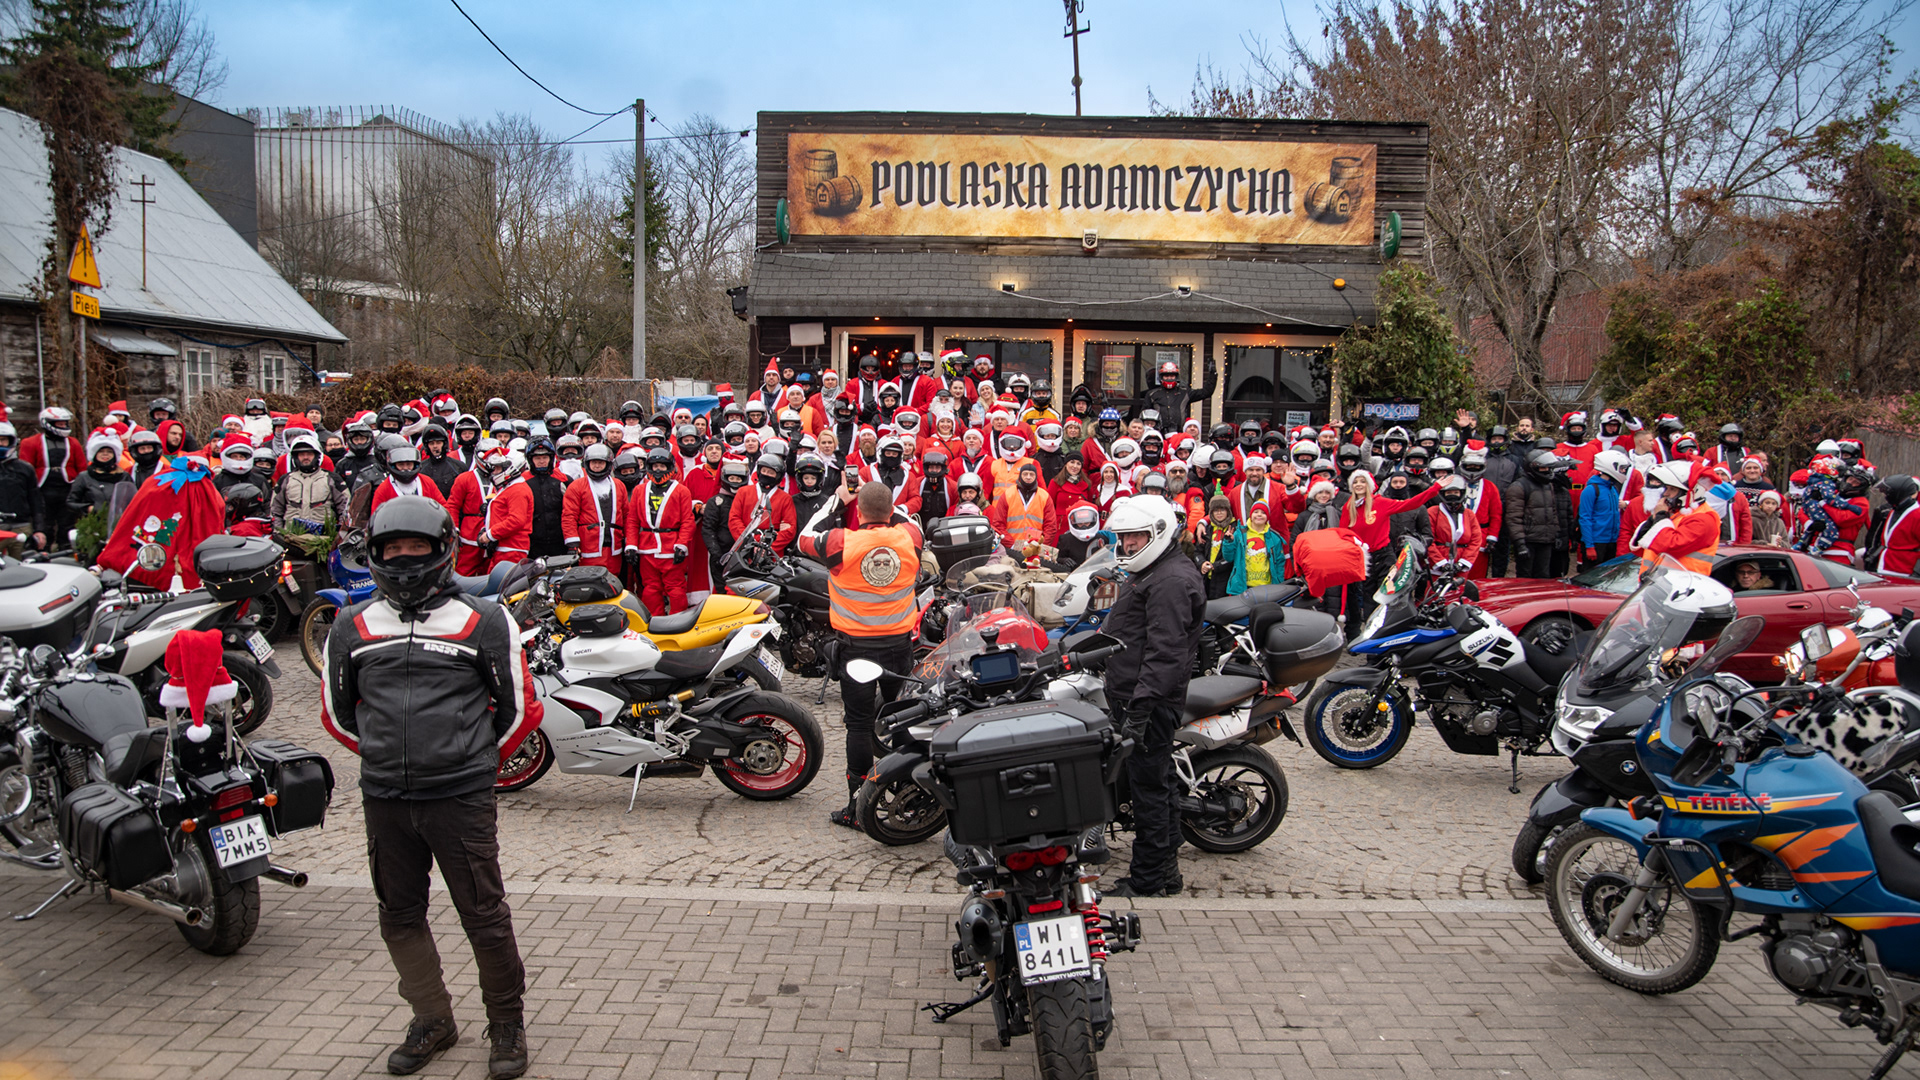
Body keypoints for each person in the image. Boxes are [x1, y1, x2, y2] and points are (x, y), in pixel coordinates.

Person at [319, 497, 536, 1080]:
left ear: (443, 551)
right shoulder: (351, 625)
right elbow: (339, 715)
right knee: (398, 915)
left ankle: (506, 1023)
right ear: (376, 554)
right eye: (393, 549)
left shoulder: (484, 620)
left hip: (460, 798)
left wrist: (472, 763)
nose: (405, 558)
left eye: (417, 547)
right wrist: (388, 757)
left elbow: (519, 710)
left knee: (483, 915)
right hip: (385, 797)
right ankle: (431, 1018)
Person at [795, 481, 923, 830]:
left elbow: (804, 536)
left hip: (857, 648)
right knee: (902, 719)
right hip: (899, 646)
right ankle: (908, 794)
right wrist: (887, 506)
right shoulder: (909, 537)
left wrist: (836, 501)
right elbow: (906, 518)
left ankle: (857, 805)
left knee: (860, 725)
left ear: (859, 512)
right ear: (891, 510)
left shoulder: (841, 542)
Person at [1100, 496, 1206, 897]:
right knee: (1157, 783)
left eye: (1136, 536)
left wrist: (1141, 710)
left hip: (1147, 701)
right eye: (1124, 537)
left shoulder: (1170, 580)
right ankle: (1167, 873)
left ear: (1158, 533)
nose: (1127, 544)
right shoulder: (1153, 570)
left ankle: (1147, 878)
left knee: (1148, 789)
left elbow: (1165, 653)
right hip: (1136, 694)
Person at [624, 447, 697, 615]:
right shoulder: (639, 490)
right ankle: (655, 620)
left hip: (671, 547)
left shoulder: (681, 491)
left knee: (675, 587)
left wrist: (682, 545)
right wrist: (631, 545)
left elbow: (687, 521)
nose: (658, 470)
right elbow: (632, 520)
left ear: (670, 467)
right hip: (646, 547)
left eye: (662, 466)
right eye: (655, 466)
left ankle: (678, 620)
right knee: (650, 587)